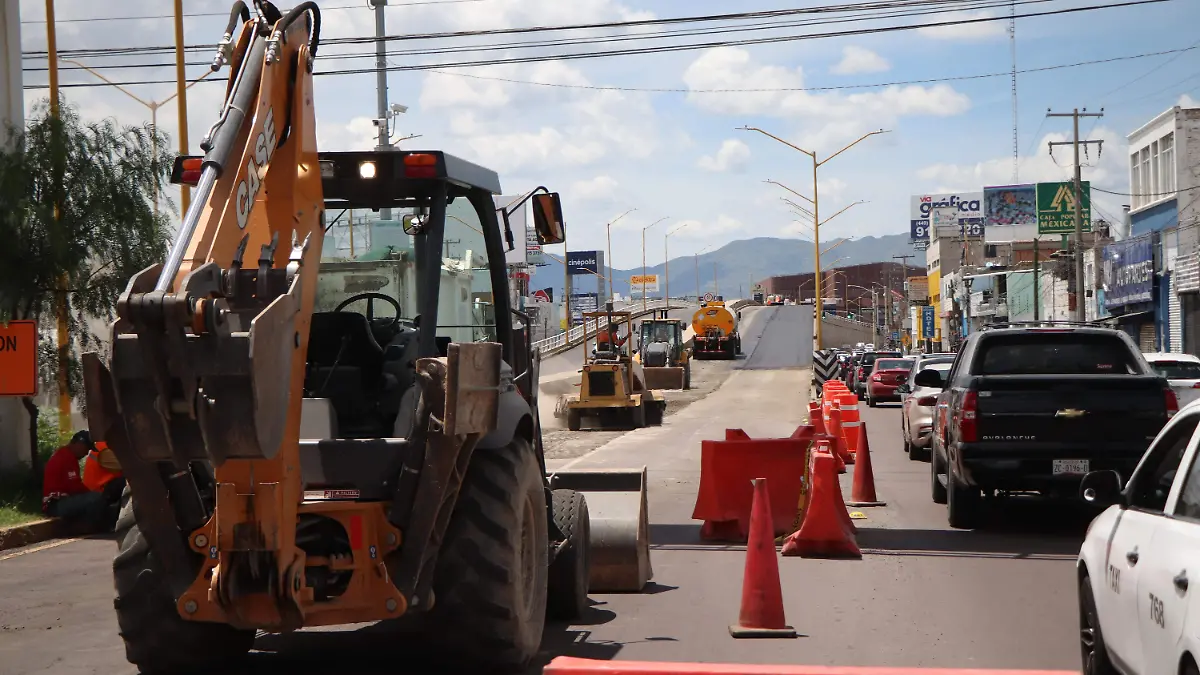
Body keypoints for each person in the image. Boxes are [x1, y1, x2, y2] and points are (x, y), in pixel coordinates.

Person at [43, 431, 118, 530]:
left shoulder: (65, 455)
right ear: (79, 444)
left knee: (95, 498)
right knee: (96, 498)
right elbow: (75, 487)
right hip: (56, 505)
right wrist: (94, 495)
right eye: (86, 448)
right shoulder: (66, 457)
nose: (86, 453)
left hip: (60, 502)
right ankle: (88, 527)